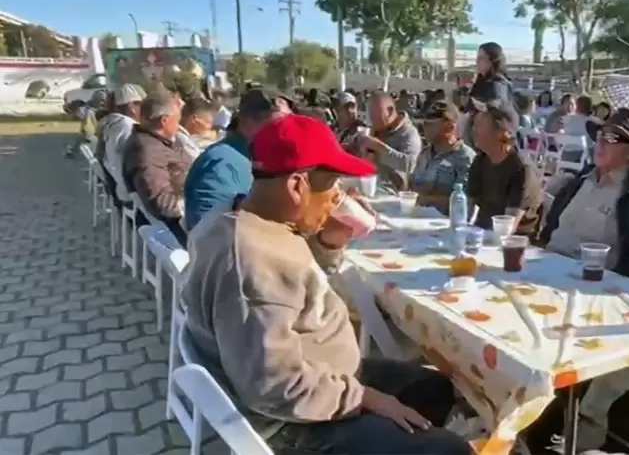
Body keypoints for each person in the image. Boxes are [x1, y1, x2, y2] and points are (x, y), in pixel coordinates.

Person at [182, 114, 472, 455]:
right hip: (293, 422)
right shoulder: (250, 262)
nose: (337, 197)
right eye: (332, 186)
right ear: (296, 186)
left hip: (322, 374)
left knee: (433, 388)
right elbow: (274, 385)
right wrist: (364, 397)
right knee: (450, 450)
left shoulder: (247, 216)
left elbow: (290, 290)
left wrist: (328, 243)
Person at [540, 108, 629, 279]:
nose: (599, 143)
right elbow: (550, 227)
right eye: (600, 135)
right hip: (544, 266)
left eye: (611, 138)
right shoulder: (579, 181)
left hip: (591, 283)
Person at [184, 87, 293, 230]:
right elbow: (210, 235)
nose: (288, 131)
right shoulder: (222, 165)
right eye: (279, 124)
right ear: (247, 121)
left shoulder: (249, 157)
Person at [121, 90, 194, 244]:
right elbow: (163, 204)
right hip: (184, 227)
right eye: (177, 119)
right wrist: (203, 203)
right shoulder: (147, 151)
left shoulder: (158, 141)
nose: (179, 124)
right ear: (165, 120)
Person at [467, 98, 542, 237]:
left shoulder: (522, 170)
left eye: (479, 126)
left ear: (502, 132)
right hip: (482, 236)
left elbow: (507, 229)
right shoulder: (481, 160)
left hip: (513, 247)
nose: (473, 130)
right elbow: (467, 210)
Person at [411, 101, 476, 214]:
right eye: (425, 124)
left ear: (449, 127)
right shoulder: (424, 154)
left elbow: (465, 202)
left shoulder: (465, 158)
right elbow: (413, 187)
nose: (425, 129)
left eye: (430, 125)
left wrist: (427, 200)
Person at [362, 92, 422, 193]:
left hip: (393, 193)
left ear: (389, 111)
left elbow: (410, 164)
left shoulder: (408, 133)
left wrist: (380, 148)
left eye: (376, 117)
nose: (372, 121)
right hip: (369, 186)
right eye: (371, 117)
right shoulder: (376, 130)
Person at [100, 84, 144, 207]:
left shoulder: (113, 125)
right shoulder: (127, 127)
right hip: (131, 198)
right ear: (132, 107)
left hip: (121, 191)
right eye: (142, 104)